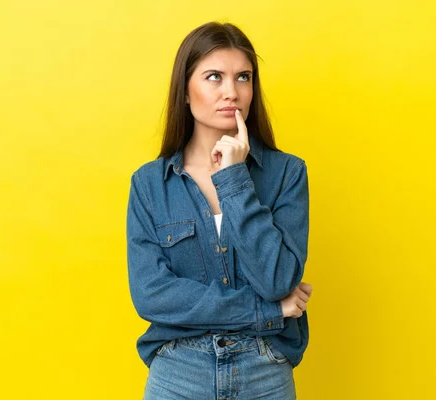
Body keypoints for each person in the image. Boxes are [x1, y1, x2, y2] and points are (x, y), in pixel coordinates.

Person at [126, 21, 312, 399]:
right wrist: (267, 312)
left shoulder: (287, 173)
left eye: (243, 77)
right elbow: (152, 295)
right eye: (214, 77)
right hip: (179, 372)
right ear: (185, 92)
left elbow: (278, 279)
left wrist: (234, 179)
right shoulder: (149, 185)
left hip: (265, 373)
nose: (232, 92)